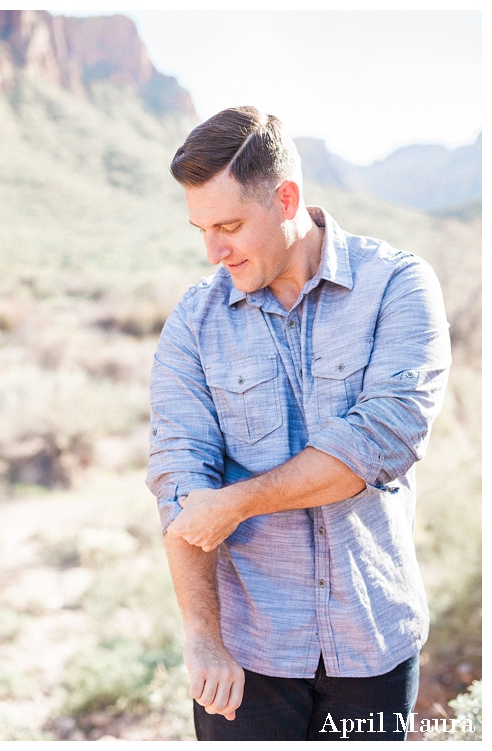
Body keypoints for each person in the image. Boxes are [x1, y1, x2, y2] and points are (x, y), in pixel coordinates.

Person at [147, 106, 451, 741]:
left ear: (286, 198)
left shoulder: (398, 286)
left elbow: (379, 440)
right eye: (201, 228)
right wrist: (203, 638)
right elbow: (179, 479)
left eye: (229, 225)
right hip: (245, 655)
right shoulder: (193, 323)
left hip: (372, 642)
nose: (213, 249)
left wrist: (238, 502)